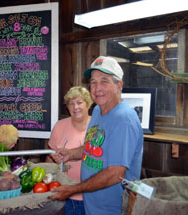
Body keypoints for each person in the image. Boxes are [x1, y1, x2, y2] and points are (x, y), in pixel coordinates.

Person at [50, 56, 143, 215]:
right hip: (92, 204)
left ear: (119, 85)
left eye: (104, 81)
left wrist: (74, 189)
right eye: (93, 82)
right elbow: (95, 147)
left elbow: (115, 174)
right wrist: (72, 153)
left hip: (112, 208)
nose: (97, 87)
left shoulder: (124, 119)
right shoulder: (99, 110)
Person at [46, 86, 93, 215]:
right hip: (64, 194)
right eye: (71, 103)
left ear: (88, 104)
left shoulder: (98, 126)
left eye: (79, 102)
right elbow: (49, 158)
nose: (75, 107)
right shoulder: (60, 126)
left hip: (92, 196)